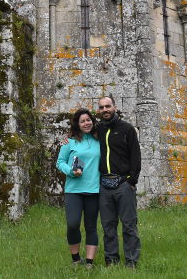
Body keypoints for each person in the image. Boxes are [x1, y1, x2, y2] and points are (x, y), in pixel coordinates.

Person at [96, 95, 141, 268]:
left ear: (114, 107)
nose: (105, 110)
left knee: (129, 225)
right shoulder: (98, 130)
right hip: (104, 185)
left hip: (123, 184)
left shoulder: (127, 129)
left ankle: (131, 262)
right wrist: (67, 138)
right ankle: (111, 261)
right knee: (108, 226)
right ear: (99, 111)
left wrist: (131, 180)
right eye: (101, 107)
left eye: (108, 106)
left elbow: (135, 156)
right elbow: (80, 134)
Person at [56, 108, 101, 269]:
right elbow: (60, 162)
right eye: (82, 121)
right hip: (73, 190)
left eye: (88, 120)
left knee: (91, 226)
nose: (86, 123)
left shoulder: (99, 140)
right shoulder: (70, 142)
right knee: (73, 224)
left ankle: (89, 262)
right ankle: (76, 259)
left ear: (93, 121)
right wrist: (71, 171)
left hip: (94, 190)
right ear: (77, 124)